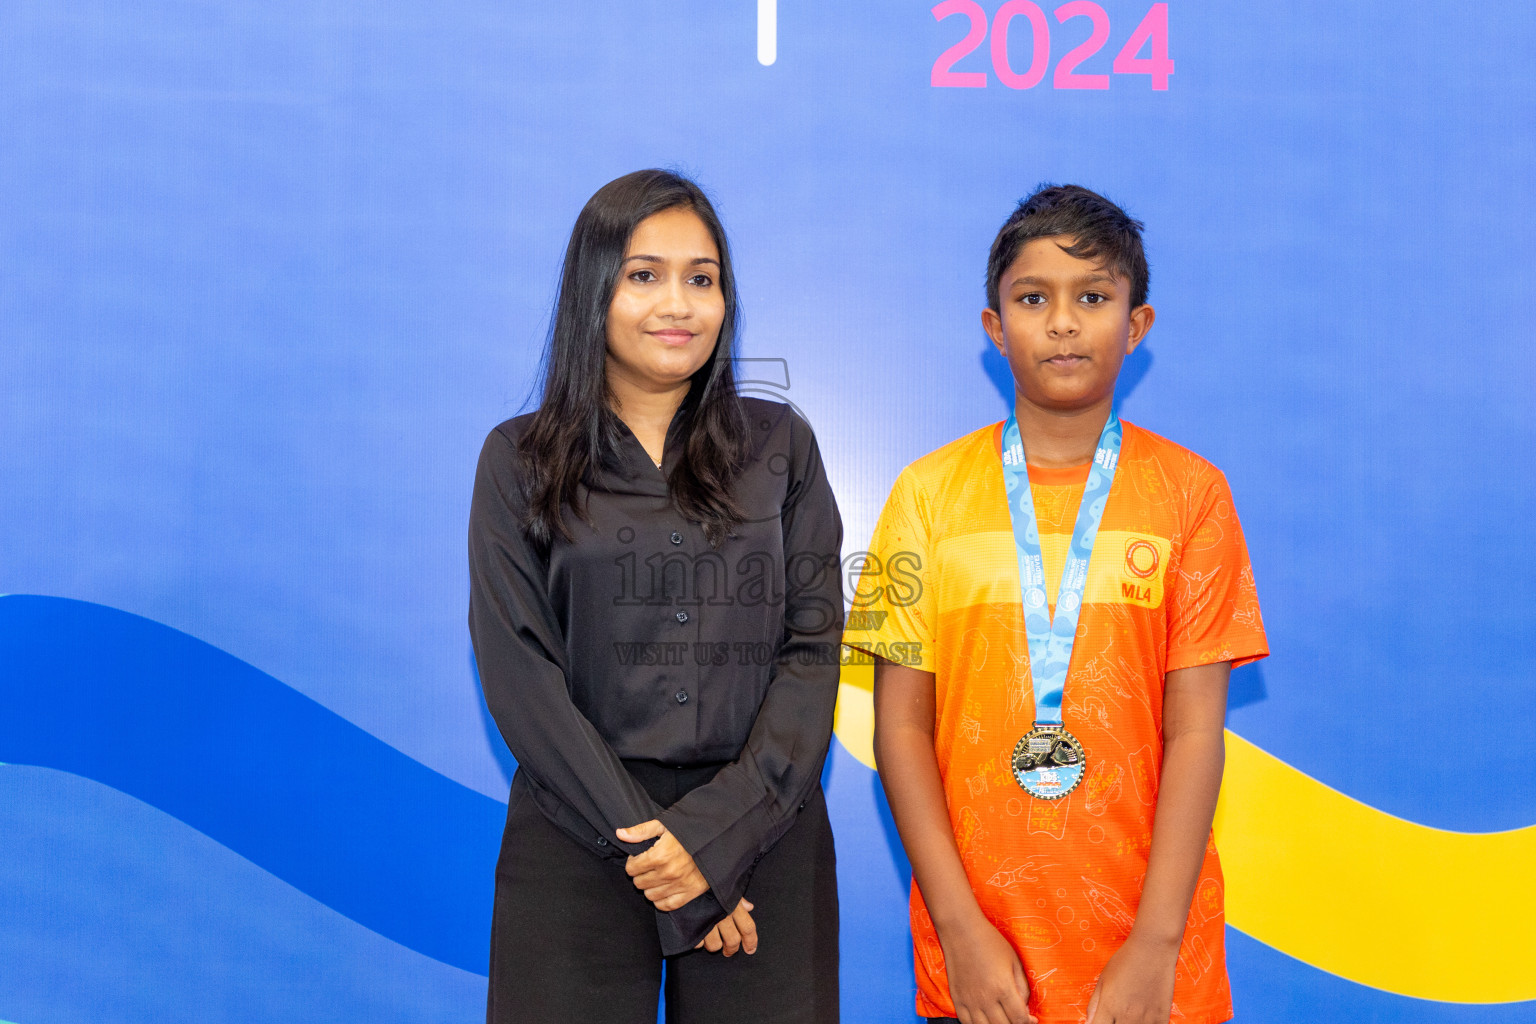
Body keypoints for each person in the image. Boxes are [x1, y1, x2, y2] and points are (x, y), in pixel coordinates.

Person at [844, 185, 1268, 1024]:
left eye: (1094, 298)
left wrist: (1154, 947)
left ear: (1137, 326)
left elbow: (1194, 732)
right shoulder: (921, 498)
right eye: (1033, 299)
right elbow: (898, 728)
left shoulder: (1194, 496)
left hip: (1150, 955)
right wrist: (961, 932)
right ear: (995, 327)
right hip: (981, 954)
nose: (1064, 323)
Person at [467, 169, 842, 1024]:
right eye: (644, 275)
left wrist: (713, 845)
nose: (678, 303)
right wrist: (666, 861)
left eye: (701, 279)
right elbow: (520, 672)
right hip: (578, 831)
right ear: (593, 291)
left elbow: (811, 651)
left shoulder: (779, 445)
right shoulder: (518, 459)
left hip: (762, 828)